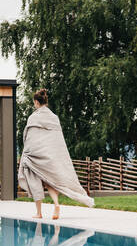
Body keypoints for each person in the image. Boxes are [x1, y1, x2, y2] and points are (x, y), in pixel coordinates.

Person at [18, 88, 94, 219]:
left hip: (34, 156)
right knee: (51, 182)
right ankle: (56, 204)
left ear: (36, 102)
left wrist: (26, 155)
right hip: (50, 156)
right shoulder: (54, 118)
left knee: (35, 182)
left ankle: (39, 213)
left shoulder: (33, 117)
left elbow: (30, 138)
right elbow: (57, 140)